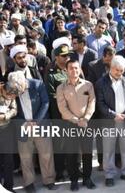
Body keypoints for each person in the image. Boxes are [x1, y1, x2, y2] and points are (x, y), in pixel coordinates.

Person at [96, 55, 125, 187]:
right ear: (111, 68)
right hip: (110, 121)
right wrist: (113, 115)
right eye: (117, 70)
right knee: (108, 149)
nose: (120, 73)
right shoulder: (101, 82)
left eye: (122, 70)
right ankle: (109, 174)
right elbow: (100, 103)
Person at [12, 71, 57, 192]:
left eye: (19, 89)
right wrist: (25, 123)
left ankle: (49, 179)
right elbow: (12, 109)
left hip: (41, 124)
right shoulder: (13, 88)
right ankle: (29, 183)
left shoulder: (38, 84)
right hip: (23, 127)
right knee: (25, 157)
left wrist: (35, 121)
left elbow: (46, 103)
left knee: (46, 154)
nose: (18, 92)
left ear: (24, 82)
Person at [56, 60, 96, 191]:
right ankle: (74, 180)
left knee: (87, 153)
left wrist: (85, 119)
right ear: (66, 70)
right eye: (71, 68)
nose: (74, 71)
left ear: (80, 69)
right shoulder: (61, 88)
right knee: (71, 154)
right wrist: (76, 120)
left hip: (86, 123)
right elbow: (62, 108)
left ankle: (87, 178)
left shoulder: (88, 85)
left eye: (76, 68)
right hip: (70, 124)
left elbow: (92, 103)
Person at [44, 44, 70, 181]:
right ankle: (59, 171)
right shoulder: (51, 73)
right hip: (58, 115)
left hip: (73, 114)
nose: (67, 58)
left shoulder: (71, 69)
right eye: (64, 56)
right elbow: (51, 95)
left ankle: (73, 168)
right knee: (59, 144)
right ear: (57, 57)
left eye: (68, 55)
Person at [0, 74, 19, 192]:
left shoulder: (12, 94)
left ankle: (9, 187)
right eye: (8, 96)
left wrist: (5, 116)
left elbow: (14, 109)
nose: (10, 98)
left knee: (8, 160)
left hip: (6, 129)